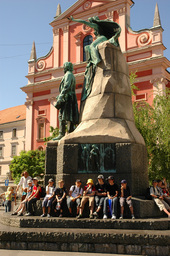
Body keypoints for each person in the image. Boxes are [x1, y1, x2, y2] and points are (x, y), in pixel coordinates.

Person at [68, 16, 121, 101]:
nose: (90, 24)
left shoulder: (96, 26)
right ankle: (92, 60)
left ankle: (97, 60)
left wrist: (74, 20)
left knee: (92, 46)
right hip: (102, 39)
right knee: (88, 47)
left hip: (103, 38)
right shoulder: (98, 27)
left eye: (90, 21)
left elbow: (84, 22)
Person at [53, 62, 79, 140]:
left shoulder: (68, 75)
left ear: (67, 67)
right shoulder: (70, 75)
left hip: (67, 97)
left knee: (62, 116)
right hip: (70, 97)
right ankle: (70, 131)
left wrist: (61, 96)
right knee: (69, 116)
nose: (63, 68)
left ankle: (62, 134)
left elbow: (66, 86)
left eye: (64, 67)